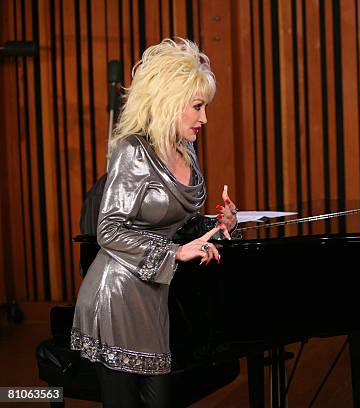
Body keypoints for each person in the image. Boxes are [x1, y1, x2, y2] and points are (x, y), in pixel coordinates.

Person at [71, 38, 238, 407]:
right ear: (169, 102)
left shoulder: (185, 148)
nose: (204, 118)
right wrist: (175, 253)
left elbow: (179, 224)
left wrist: (220, 222)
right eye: (197, 107)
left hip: (153, 296)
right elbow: (109, 230)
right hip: (116, 296)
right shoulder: (133, 151)